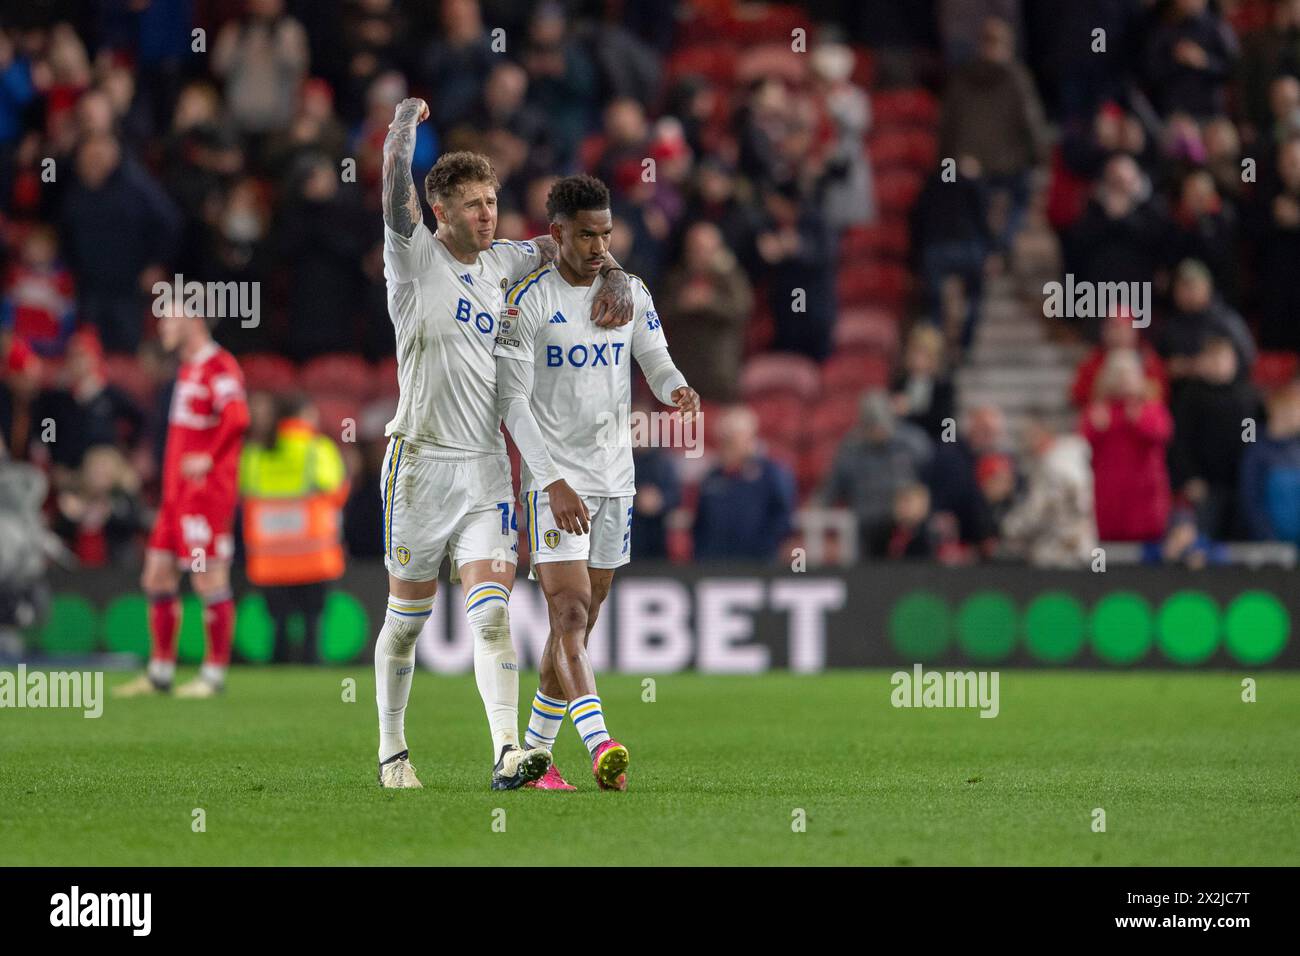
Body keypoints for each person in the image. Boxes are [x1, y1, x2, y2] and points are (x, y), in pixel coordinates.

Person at [371, 100, 632, 791]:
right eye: (473, 205)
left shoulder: (509, 261)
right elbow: (393, 193)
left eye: (492, 201)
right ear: (440, 208)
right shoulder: (412, 256)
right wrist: (402, 134)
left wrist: (609, 275)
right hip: (420, 463)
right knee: (405, 624)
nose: (488, 215)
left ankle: (509, 753)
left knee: (492, 616)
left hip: (486, 467)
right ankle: (394, 751)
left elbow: (576, 244)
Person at [495, 174, 698, 791]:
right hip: (555, 482)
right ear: (556, 233)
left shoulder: (627, 290)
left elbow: (655, 359)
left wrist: (676, 390)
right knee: (570, 608)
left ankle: (534, 756)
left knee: (582, 620)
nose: (599, 247)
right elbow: (512, 400)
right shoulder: (526, 299)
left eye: (606, 233)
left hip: (616, 479)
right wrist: (550, 479)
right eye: (586, 236)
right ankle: (600, 743)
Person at [113, 302, 249, 699]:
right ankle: (159, 673)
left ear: (193, 319)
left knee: (208, 578)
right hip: (176, 497)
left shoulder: (219, 365)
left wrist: (209, 456)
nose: (162, 325)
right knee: (156, 574)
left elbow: (238, 417)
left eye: (170, 317)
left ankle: (213, 675)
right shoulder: (187, 368)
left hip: (206, 495)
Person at [238, 394, 348, 664]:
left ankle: (277, 668)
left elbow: (242, 494)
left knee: (277, 623)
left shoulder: (254, 451)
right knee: (312, 622)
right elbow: (337, 492)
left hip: (269, 557)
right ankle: (311, 665)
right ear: (304, 415)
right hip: (313, 554)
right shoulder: (317, 448)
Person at [1080, 349, 1174, 542]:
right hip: (1107, 499)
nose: (1123, 381)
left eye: (1128, 375)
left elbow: (1163, 433)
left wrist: (1139, 421)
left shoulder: (1151, 408)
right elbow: (1080, 447)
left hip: (1144, 500)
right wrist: (1096, 429)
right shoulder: (1098, 410)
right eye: (1118, 375)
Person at [693, 405, 797, 562]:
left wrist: (765, 549)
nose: (725, 445)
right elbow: (701, 524)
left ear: (749, 437)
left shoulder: (771, 474)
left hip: (758, 566)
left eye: (731, 438)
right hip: (716, 567)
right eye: (722, 438)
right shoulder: (712, 477)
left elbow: (782, 516)